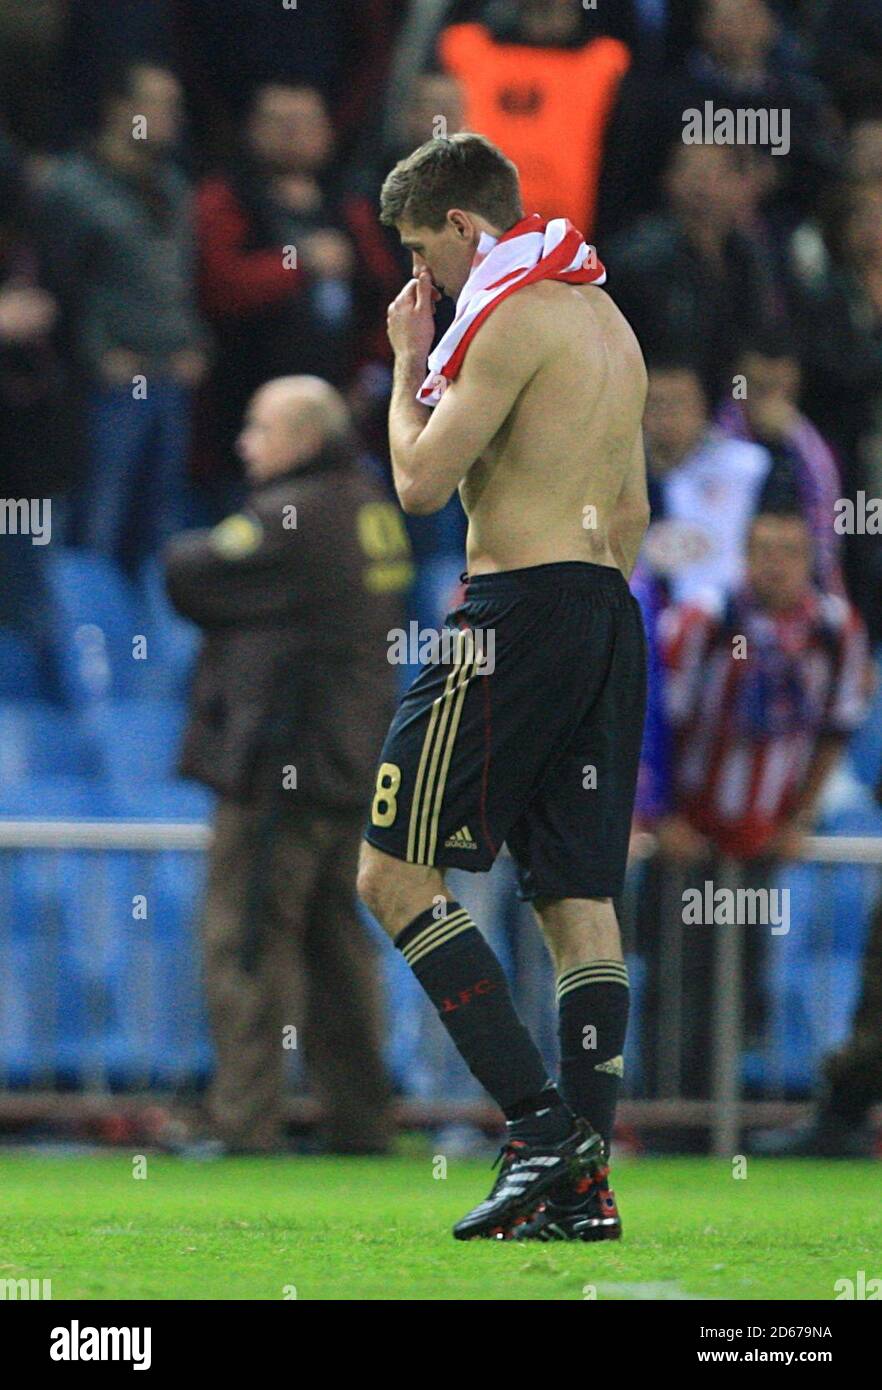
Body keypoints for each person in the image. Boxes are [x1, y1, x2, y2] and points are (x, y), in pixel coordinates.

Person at [357, 133, 649, 1241]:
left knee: (389, 873)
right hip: (605, 615)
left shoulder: (513, 311)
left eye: (424, 255)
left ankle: (539, 1129)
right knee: (579, 907)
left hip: (514, 616)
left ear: (467, 229)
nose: (420, 284)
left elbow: (422, 481)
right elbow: (632, 518)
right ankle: (584, 1192)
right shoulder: (606, 321)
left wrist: (402, 362)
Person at [165, 376, 412, 1155]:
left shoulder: (291, 516)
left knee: (246, 941)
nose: (244, 444)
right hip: (352, 764)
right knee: (337, 947)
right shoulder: (372, 504)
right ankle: (361, 1122)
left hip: (284, 764)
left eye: (258, 427)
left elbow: (191, 572)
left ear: (304, 438)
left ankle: (245, 1123)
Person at [40, 63, 206, 571]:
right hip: (108, 385)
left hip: (171, 376)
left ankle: (146, 647)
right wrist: (97, 355)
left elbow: (181, 277)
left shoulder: (173, 185)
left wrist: (195, 344)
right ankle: (89, 643)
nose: (174, 117)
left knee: (159, 527)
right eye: (161, 103)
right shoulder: (72, 188)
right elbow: (59, 285)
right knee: (98, 521)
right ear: (121, 110)